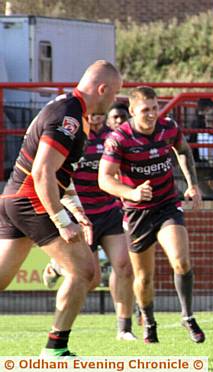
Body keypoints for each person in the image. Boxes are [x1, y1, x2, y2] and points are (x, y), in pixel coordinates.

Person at [0, 60, 122, 357]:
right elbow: (43, 173)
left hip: (15, 198)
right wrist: (61, 219)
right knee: (85, 272)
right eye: (114, 93)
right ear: (102, 89)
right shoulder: (68, 116)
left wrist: (75, 208)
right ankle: (55, 350)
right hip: (32, 200)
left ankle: (56, 348)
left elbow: (59, 174)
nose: (114, 101)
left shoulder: (70, 109)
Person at [98, 86, 205, 344]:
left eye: (155, 108)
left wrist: (192, 184)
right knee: (144, 279)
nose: (152, 114)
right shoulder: (119, 139)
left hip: (167, 204)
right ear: (132, 111)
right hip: (137, 214)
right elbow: (105, 179)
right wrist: (132, 193)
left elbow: (183, 150)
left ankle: (187, 316)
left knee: (181, 261)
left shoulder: (168, 127)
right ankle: (149, 319)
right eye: (146, 110)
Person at [42, 109, 136, 341]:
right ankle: (57, 266)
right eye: (91, 113)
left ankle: (124, 329)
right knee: (91, 280)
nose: (96, 116)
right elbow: (57, 174)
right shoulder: (74, 137)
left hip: (110, 210)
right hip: (82, 214)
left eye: (99, 113)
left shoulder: (113, 138)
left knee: (124, 266)